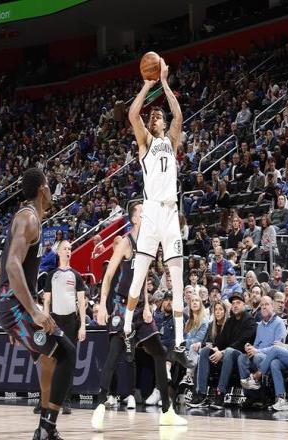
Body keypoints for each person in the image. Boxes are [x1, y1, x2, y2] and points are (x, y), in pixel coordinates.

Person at [0, 168, 76, 440]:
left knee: (49, 360)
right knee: (67, 353)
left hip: (13, 304)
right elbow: (11, 265)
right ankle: (47, 428)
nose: (51, 189)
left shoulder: (31, 219)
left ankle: (44, 428)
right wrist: (32, 311)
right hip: (15, 305)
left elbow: (4, 265)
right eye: (49, 184)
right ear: (43, 189)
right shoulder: (28, 218)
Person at [92, 202, 186, 429]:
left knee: (159, 354)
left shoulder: (148, 243)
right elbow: (108, 275)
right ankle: (100, 407)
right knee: (114, 356)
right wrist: (102, 304)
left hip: (140, 307)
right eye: (143, 213)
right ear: (134, 219)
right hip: (122, 306)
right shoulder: (126, 242)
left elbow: (142, 278)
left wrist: (146, 305)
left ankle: (167, 411)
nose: (147, 216)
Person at [125, 57, 189, 368]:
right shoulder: (146, 142)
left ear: (163, 123)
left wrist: (164, 82)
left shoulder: (171, 142)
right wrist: (148, 84)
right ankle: (126, 329)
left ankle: (179, 343)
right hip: (150, 212)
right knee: (138, 276)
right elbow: (132, 114)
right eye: (153, 115)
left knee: (177, 277)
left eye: (159, 115)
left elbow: (179, 114)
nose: (155, 116)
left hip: (170, 213)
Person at [243, 297, 288, 411]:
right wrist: (283, 346)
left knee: (276, 349)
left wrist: (283, 346)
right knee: (275, 363)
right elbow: (285, 344)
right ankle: (281, 399)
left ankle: (256, 377)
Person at [189, 292, 256, 409]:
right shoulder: (230, 321)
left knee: (229, 351)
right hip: (226, 355)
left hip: (241, 356)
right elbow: (221, 340)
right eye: (233, 303)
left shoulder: (250, 320)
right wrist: (215, 348)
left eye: (238, 303)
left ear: (244, 305)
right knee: (205, 351)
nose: (235, 305)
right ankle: (201, 393)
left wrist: (222, 352)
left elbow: (242, 342)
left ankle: (220, 393)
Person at [43, 240, 87, 415]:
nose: (68, 251)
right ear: (59, 252)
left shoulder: (76, 275)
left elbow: (81, 302)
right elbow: (46, 300)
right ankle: (44, 401)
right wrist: (46, 321)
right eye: (65, 248)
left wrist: (82, 326)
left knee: (68, 363)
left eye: (70, 249)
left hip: (70, 322)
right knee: (50, 361)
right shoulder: (51, 275)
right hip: (54, 322)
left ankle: (66, 400)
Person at [238, 295, 287, 408]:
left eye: (267, 304)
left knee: (257, 357)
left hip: (272, 358)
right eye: (262, 305)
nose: (264, 307)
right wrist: (250, 348)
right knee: (241, 358)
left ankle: (264, 397)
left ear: (273, 306)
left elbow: (278, 348)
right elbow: (256, 345)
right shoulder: (259, 325)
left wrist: (257, 351)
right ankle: (251, 396)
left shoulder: (279, 323)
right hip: (258, 354)